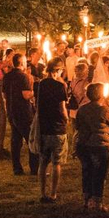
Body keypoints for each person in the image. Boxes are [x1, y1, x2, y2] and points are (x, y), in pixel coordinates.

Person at [74, 82, 109, 211]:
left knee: (87, 171)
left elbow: (77, 126)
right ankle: (97, 201)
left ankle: (86, 198)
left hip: (83, 145)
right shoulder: (103, 109)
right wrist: (108, 105)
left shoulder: (82, 109)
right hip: (100, 145)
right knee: (100, 173)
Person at [34, 57, 69, 203]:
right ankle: (53, 193)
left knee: (43, 162)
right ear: (58, 70)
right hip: (57, 127)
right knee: (56, 162)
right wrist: (67, 119)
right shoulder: (60, 86)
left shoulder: (39, 85)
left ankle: (43, 193)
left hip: (43, 126)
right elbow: (62, 108)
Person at [4, 53, 38, 176]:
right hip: (23, 112)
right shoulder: (23, 77)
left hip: (11, 111)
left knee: (16, 141)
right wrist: (34, 91)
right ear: (21, 62)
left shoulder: (7, 77)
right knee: (31, 139)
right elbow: (26, 95)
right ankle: (34, 168)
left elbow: (5, 94)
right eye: (24, 61)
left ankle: (17, 168)